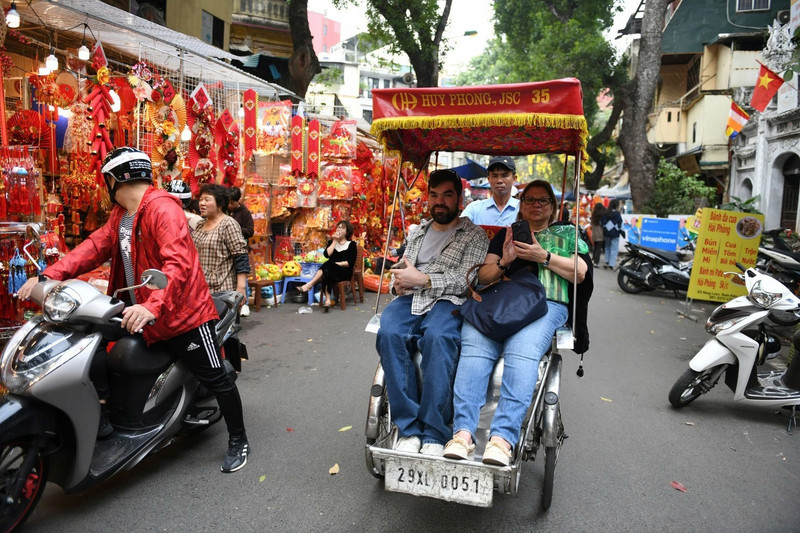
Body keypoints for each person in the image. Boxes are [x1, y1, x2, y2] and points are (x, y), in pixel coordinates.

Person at [16, 147, 250, 473]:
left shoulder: (162, 209)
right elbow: (93, 247)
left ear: (114, 180)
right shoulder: (122, 215)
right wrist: (48, 276)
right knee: (85, 335)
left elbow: (177, 264)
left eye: (105, 180)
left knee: (216, 376)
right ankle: (104, 411)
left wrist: (153, 304)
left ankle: (238, 439)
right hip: (139, 308)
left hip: (183, 315)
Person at [443, 179, 589, 466]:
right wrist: (504, 261)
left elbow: (580, 272)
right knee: (474, 343)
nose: (536, 205)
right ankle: (463, 434)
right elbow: (483, 277)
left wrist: (542, 256)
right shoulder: (506, 234)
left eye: (543, 200)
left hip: (547, 302)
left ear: (552, 207)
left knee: (522, 349)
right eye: (530, 199)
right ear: (521, 205)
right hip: (502, 302)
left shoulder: (567, 234)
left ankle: (502, 439)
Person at [376, 169, 489, 456]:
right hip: (411, 298)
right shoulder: (418, 232)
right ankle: (409, 429)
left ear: (459, 199)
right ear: (428, 199)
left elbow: (466, 280)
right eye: (434, 195)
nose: (440, 201)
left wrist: (424, 280)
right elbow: (403, 268)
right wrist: (397, 282)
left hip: (449, 300)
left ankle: (435, 432)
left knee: (439, 338)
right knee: (389, 332)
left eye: (447, 195)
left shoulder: (474, 235)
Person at [299, 220, 357, 311]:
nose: (339, 229)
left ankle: (310, 284)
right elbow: (326, 255)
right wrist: (335, 241)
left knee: (328, 265)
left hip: (344, 272)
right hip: (331, 270)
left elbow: (350, 262)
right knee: (327, 271)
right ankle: (328, 300)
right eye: (338, 227)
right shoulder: (331, 243)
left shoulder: (352, 244)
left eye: (342, 228)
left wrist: (336, 264)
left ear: (347, 232)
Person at [460, 156, 520, 226]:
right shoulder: (474, 209)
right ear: (489, 179)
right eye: (495, 176)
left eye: (504, 175)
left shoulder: (522, 209)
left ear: (514, 179)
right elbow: (458, 230)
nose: (499, 180)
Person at [226, 186, 255, 316]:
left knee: (242, 275)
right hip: (226, 250)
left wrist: (235, 230)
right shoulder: (225, 210)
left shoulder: (245, 213)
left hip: (239, 247)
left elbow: (250, 230)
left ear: (239, 201)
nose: (230, 205)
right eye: (228, 202)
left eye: (232, 203)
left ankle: (244, 303)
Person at [601, 199, 624, 269]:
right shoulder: (617, 214)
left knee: (607, 247)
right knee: (614, 249)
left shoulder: (606, 213)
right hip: (615, 234)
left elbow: (602, 222)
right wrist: (622, 232)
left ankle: (606, 261)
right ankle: (611, 264)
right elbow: (620, 223)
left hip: (606, 233)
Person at [589, 203, 606, 267]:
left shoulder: (593, 215)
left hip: (594, 234)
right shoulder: (602, 216)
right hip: (600, 234)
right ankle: (596, 262)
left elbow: (591, 223)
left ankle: (593, 259)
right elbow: (604, 225)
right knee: (598, 248)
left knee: (595, 247)